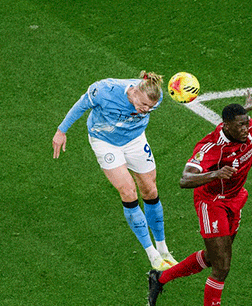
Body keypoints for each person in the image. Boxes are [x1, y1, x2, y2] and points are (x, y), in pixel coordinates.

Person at [146, 93, 252, 306]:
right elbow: (184, 179)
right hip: (213, 203)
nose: (246, 129)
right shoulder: (211, 148)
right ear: (227, 126)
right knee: (222, 268)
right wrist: (215, 174)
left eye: (247, 123)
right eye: (240, 125)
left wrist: (247, 108)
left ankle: (160, 278)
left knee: (213, 258)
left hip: (235, 199)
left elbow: (242, 121)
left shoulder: (245, 129)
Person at [52, 71, 177, 271]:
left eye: (150, 108)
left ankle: (163, 250)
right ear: (134, 91)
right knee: (128, 191)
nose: (146, 110)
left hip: (135, 140)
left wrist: (145, 107)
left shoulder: (156, 97)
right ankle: (152, 254)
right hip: (105, 141)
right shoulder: (104, 90)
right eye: (143, 105)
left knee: (150, 190)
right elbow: (81, 105)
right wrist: (61, 131)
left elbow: (147, 107)